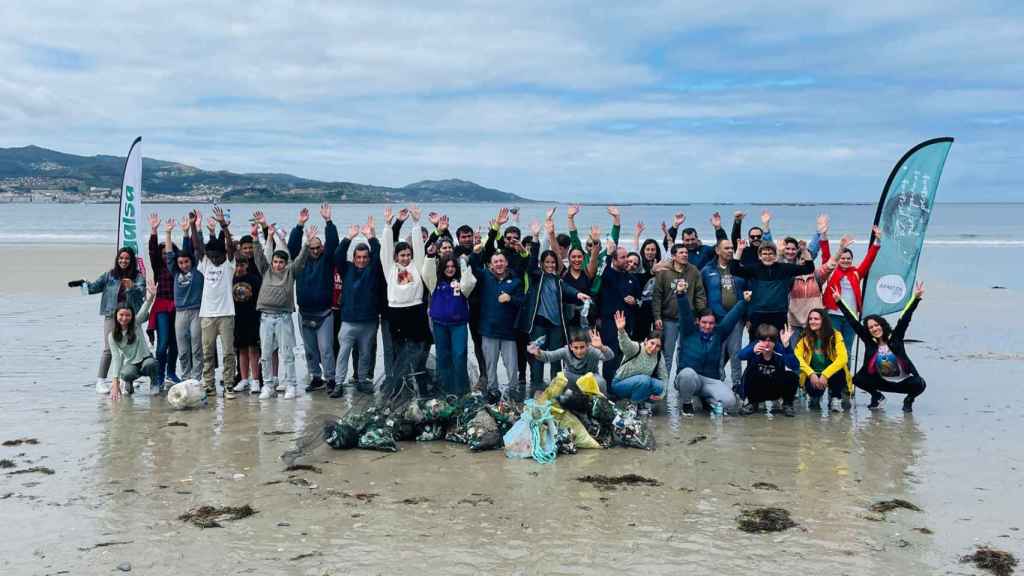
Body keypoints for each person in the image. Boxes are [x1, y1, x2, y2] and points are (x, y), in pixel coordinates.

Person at [834, 282, 927, 412]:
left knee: (920, 384)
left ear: (882, 325)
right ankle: (877, 396)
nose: (874, 329)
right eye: (871, 327)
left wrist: (915, 298)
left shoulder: (895, 338)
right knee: (858, 379)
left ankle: (909, 400)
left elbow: (904, 318)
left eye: (876, 325)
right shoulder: (869, 342)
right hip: (882, 382)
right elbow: (853, 321)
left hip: (902, 381)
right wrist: (839, 301)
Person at [518, 239, 591, 392]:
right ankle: (536, 387)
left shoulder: (558, 281)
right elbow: (531, 265)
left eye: (553, 262)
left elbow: (568, 289)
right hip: (539, 324)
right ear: (542, 264)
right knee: (537, 356)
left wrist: (578, 294)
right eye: (547, 262)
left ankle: (556, 389)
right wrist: (535, 240)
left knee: (556, 358)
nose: (550, 265)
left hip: (556, 326)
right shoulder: (536, 277)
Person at [673, 282, 750, 416]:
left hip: (709, 380)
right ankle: (687, 403)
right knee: (687, 374)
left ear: (715, 324)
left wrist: (744, 301)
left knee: (730, 402)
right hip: (690, 378)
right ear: (698, 321)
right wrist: (681, 294)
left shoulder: (719, 333)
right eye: (704, 322)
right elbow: (685, 313)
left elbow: (732, 317)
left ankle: (707, 400)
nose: (707, 326)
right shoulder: (688, 331)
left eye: (711, 323)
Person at [253, 223, 310, 399]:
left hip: (284, 318)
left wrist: (307, 243)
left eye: (281, 262)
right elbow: (259, 257)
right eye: (276, 262)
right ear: (272, 262)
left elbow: (300, 261)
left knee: (287, 353)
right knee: (265, 354)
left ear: (286, 264)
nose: (278, 265)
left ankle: (291, 385)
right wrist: (255, 238)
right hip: (266, 318)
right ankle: (268, 386)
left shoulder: (290, 272)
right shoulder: (266, 270)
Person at [287, 204, 339, 394]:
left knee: (326, 349)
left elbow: (333, 243)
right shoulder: (300, 262)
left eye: (318, 248)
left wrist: (328, 222)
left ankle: (331, 378)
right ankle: (316, 377)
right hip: (304, 313)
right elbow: (291, 249)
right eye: (312, 248)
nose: (315, 251)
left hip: (324, 313)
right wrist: (300, 225)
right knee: (309, 350)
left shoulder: (327, 260)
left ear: (322, 247)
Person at [381, 205, 431, 394]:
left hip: (416, 312)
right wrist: (388, 226)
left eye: (408, 255)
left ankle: (422, 388)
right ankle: (399, 388)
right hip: (396, 313)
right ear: (396, 257)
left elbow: (419, 248)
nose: (406, 258)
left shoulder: (416, 266)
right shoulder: (390, 268)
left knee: (419, 353)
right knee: (398, 352)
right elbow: (386, 249)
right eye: (402, 255)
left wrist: (416, 223)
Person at [82, 246, 145, 393]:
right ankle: (100, 381)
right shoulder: (109, 275)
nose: (123, 261)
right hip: (112, 315)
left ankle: (126, 380)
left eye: (127, 258)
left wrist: (132, 287)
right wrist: (84, 284)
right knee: (109, 349)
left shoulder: (137, 277)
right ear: (117, 259)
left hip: (130, 316)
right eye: (121, 258)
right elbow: (92, 289)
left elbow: (141, 293)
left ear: (132, 260)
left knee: (131, 348)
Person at [332, 216, 382, 397]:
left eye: (365, 257)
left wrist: (371, 237)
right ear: (353, 258)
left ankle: (361, 380)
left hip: (369, 321)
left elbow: (378, 252)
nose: (361, 260)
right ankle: (338, 384)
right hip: (349, 321)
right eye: (358, 257)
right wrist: (348, 238)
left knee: (365, 354)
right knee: (343, 354)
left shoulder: (373, 269)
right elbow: (337, 255)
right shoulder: (347, 269)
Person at [192, 207, 237, 397]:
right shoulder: (205, 263)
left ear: (224, 254)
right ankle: (209, 385)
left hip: (226, 314)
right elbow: (197, 247)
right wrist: (194, 226)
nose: (214, 258)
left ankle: (228, 385)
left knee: (228, 353)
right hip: (207, 316)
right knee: (207, 353)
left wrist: (223, 225)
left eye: (217, 255)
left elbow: (231, 246)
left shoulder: (229, 265)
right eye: (211, 255)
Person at [731, 240, 815, 340]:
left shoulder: (784, 269)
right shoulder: (754, 269)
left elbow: (809, 268)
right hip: (757, 314)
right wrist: (739, 250)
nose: (767, 256)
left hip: (779, 314)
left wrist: (804, 250)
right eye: (764, 254)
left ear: (775, 256)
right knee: (756, 345)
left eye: (770, 253)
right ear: (759, 256)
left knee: (781, 344)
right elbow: (734, 270)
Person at [821, 226, 883, 362]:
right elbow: (825, 255)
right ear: (838, 259)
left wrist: (877, 241)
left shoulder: (856, 273)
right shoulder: (831, 271)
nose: (845, 261)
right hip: (833, 316)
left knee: (847, 350)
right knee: (833, 348)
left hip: (852, 318)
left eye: (848, 259)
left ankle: (846, 375)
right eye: (843, 258)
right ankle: (832, 374)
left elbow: (869, 259)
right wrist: (823, 234)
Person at [469, 248, 524, 398]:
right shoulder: (484, 276)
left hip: (508, 332)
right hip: (489, 330)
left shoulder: (516, 281)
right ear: (491, 265)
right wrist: (475, 253)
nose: (499, 264)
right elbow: (472, 265)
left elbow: (522, 301)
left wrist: (510, 298)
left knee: (511, 365)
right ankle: (493, 390)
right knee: (490, 364)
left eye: (501, 261)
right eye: (495, 262)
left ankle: (513, 390)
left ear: (506, 263)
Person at [424, 252, 477, 396]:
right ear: (442, 267)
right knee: (443, 357)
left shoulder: (462, 282)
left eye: (453, 266)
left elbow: (470, 282)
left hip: (458, 325)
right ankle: (445, 390)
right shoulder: (435, 282)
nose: (450, 269)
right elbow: (426, 272)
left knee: (459, 356)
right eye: (447, 266)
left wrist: (463, 264)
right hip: (439, 325)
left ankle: (462, 391)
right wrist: (430, 256)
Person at [652, 243, 707, 378]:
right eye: (681, 253)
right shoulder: (664, 272)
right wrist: (657, 316)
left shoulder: (694, 271)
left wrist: (700, 314)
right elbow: (657, 296)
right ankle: (664, 383)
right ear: (674, 256)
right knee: (667, 354)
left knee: (685, 353)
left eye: (686, 253)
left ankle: (681, 382)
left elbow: (700, 294)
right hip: (668, 319)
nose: (684, 255)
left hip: (688, 320)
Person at [701, 238, 747, 394]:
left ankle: (737, 384)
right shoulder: (707, 270)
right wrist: (703, 315)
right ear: (717, 250)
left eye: (731, 248)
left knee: (735, 352)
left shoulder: (739, 269)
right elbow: (701, 295)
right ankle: (717, 382)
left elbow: (748, 292)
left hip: (736, 319)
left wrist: (747, 317)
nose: (730, 250)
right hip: (716, 320)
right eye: (726, 248)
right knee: (717, 353)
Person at [165, 215, 203, 382]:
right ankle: (186, 377)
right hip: (180, 313)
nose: (183, 265)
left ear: (191, 261)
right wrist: (168, 233)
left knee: (196, 347)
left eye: (186, 262)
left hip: (196, 312)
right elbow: (169, 255)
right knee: (183, 349)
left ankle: (196, 378)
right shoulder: (175, 272)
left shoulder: (197, 270)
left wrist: (190, 231)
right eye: (180, 262)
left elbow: (196, 248)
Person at [598, 245, 642, 384]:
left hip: (627, 324)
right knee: (611, 356)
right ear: (614, 260)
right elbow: (602, 268)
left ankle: (620, 386)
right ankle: (608, 387)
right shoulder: (607, 275)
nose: (627, 260)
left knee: (624, 357)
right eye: (623, 257)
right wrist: (608, 254)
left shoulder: (632, 278)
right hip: (610, 323)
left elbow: (640, 300)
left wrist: (635, 301)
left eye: (627, 256)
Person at [794, 308, 852, 412]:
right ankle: (814, 397)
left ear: (824, 321)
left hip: (831, 374)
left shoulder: (836, 335)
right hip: (814, 374)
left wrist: (825, 374)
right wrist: (811, 373)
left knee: (840, 372)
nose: (812, 321)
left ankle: (835, 398)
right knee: (814, 400)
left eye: (816, 319)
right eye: (810, 319)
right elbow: (797, 357)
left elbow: (843, 358)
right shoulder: (804, 337)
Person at [108, 280, 158, 400]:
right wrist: (115, 383)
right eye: (121, 315)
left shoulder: (136, 323)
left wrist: (151, 296)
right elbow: (116, 359)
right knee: (125, 373)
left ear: (132, 316)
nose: (124, 318)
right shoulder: (112, 336)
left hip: (146, 359)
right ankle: (128, 383)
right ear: (116, 316)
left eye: (128, 315)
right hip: (131, 364)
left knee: (151, 364)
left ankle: (154, 382)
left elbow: (144, 309)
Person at [146, 213, 180, 391]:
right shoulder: (158, 266)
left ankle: (171, 373)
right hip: (161, 306)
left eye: (169, 253)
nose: (166, 256)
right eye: (163, 254)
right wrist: (154, 230)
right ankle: (159, 376)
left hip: (177, 307)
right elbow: (152, 252)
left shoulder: (180, 268)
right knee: (163, 343)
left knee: (175, 343)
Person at [528, 327, 614, 395]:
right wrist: (538, 352)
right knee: (560, 378)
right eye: (576, 347)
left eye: (582, 347)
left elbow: (609, 356)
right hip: (573, 379)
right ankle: (557, 401)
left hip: (590, 380)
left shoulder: (592, 351)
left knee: (601, 382)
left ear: (588, 345)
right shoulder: (566, 351)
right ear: (571, 347)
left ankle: (600, 403)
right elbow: (549, 356)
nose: (579, 351)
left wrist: (601, 347)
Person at [738, 324, 799, 417]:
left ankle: (787, 403)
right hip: (759, 389)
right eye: (763, 340)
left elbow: (795, 365)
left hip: (775, 388)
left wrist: (787, 347)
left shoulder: (779, 348)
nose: (767, 343)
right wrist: (752, 350)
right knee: (749, 372)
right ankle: (752, 403)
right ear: (759, 340)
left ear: (775, 341)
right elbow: (740, 356)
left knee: (792, 376)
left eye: (770, 340)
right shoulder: (755, 346)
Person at [610, 310, 667, 405]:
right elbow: (626, 344)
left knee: (659, 386)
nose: (654, 348)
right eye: (652, 343)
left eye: (658, 346)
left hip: (640, 384)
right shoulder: (637, 348)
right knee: (645, 380)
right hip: (620, 384)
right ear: (646, 341)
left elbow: (664, 377)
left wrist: (662, 394)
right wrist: (621, 330)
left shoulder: (658, 355)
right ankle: (633, 405)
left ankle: (639, 400)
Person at [230, 236, 262, 399]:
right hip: (238, 318)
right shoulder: (231, 279)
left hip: (252, 318)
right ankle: (244, 379)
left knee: (253, 349)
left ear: (247, 265)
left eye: (242, 265)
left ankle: (255, 379)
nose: (239, 268)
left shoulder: (254, 279)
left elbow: (260, 299)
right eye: (237, 265)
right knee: (241, 349)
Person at [663, 211, 728, 270]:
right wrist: (675, 226)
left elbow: (723, 246)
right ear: (682, 240)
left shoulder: (706, 250)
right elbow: (667, 243)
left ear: (697, 239)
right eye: (687, 240)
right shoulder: (679, 251)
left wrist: (718, 228)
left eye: (693, 239)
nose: (690, 242)